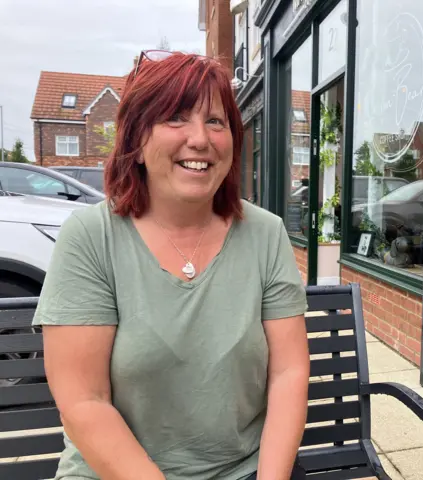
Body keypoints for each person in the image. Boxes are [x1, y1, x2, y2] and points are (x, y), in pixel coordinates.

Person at [33, 50, 310, 480]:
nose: (200, 139)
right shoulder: (91, 237)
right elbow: (84, 401)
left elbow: (289, 371)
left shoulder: (266, 233)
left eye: (215, 121)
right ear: (137, 143)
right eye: (176, 118)